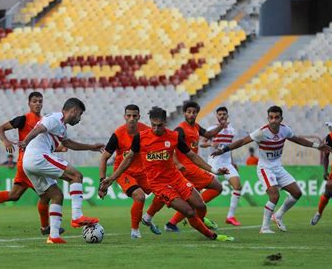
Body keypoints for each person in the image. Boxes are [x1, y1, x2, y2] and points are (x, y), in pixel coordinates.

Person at [100, 106, 234, 242]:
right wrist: (111, 178)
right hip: (158, 184)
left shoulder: (174, 136)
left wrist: (214, 170)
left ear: (165, 122)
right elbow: (128, 159)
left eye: (160, 125)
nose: (156, 129)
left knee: (200, 206)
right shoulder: (140, 138)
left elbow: (192, 156)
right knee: (189, 211)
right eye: (153, 125)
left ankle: (194, 222)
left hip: (176, 178)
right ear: (150, 122)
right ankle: (212, 236)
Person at [212, 105, 330, 234]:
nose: (274, 120)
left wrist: (317, 146)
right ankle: (265, 228)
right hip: (265, 168)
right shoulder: (261, 132)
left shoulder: (285, 130)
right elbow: (241, 142)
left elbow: (297, 140)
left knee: (297, 193)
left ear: (281, 118)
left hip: (278, 167)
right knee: (274, 195)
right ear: (268, 118)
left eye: (277, 117)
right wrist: (223, 150)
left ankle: (278, 216)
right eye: (271, 118)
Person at [0, 92, 64, 235]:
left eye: (40, 101)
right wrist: (5, 141)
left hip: (28, 163)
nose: (38, 104)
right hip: (30, 163)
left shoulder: (44, 121)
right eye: (35, 101)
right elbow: (0, 128)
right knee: (50, 195)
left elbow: (43, 145)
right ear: (29, 104)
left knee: (15, 195)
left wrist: (59, 148)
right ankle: (46, 228)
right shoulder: (23, 119)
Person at [21, 97, 104, 244]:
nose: (79, 119)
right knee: (76, 176)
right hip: (38, 156)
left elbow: (68, 143)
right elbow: (38, 129)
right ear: (74, 111)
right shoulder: (55, 119)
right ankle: (77, 216)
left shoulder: (61, 126)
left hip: (28, 162)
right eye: (80, 115)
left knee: (57, 195)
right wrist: (25, 141)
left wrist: (92, 147)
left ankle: (53, 236)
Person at [99, 104, 164, 239]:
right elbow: (104, 158)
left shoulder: (147, 131)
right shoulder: (118, 134)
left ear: (139, 117)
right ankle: (135, 231)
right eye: (128, 116)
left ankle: (147, 217)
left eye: (134, 116)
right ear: (124, 117)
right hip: (124, 172)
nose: (131, 119)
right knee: (139, 196)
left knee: (164, 192)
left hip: (144, 172)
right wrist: (102, 182)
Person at [165, 101, 228, 232]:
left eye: (194, 112)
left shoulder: (196, 127)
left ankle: (171, 223)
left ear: (197, 113)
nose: (191, 114)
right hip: (187, 167)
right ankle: (199, 220)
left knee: (192, 199)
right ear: (184, 113)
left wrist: (221, 126)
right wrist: (177, 163)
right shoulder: (180, 129)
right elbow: (170, 148)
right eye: (189, 112)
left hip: (192, 166)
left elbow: (209, 135)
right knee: (217, 187)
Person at [206, 106, 243, 226]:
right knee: (206, 189)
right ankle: (193, 212)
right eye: (220, 114)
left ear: (227, 116)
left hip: (227, 163)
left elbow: (230, 147)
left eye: (224, 114)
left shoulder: (232, 130)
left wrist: (232, 162)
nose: (222, 116)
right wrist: (212, 144)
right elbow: (201, 143)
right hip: (213, 163)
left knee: (237, 186)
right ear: (216, 116)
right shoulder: (212, 129)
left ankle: (230, 216)